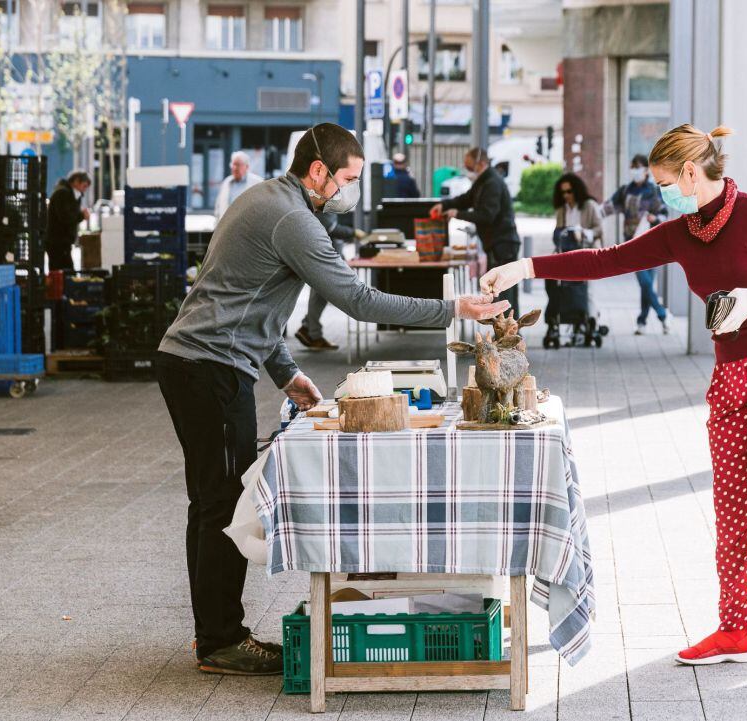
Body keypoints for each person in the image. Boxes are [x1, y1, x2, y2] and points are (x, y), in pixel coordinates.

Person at [480, 124, 747, 673]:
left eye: (665, 182)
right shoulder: (682, 232)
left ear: (692, 174)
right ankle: (735, 629)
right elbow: (606, 259)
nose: (660, 192)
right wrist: (526, 266)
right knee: (735, 509)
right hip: (732, 379)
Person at [156, 123, 508, 676]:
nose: (351, 191)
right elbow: (357, 299)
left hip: (197, 361)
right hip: (210, 368)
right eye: (349, 179)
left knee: (210, 499)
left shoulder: (267, 199)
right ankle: (220, 640)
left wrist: (286, 371)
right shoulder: (295, 219)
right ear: (318, 171)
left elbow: (247, 299)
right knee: (220, 502)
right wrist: (453, 310)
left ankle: (215, 634)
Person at [430, 147, 521, 316]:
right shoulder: (483, 181)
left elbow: (487, 215)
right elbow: (466, 199)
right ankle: (505, 335)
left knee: (503, 293)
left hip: (503, 244)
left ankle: (509, 336)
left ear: (480, 163)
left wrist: (457, 214)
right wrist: (445, 205)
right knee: (500, 292)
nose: (466, 167)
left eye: (468, 164)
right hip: (496, 243)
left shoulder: (492, 182)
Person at [603, 154, 670, 335]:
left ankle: (642, 321)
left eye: (638, 167)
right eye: (633, 167)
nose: (635, 170)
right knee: (645, 283)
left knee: (645, 285)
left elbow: (664, 214)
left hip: (653, 244)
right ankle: (662, 315)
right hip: (632, 244)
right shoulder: (625, 191)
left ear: (647, 171)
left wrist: (654, 218)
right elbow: (609, 207)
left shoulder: (654, 191)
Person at [294, 215, 366, 350]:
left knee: (321, 295)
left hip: (325, 252)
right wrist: (353, 233)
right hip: (321, 254)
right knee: (320, 294)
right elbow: (330, 228)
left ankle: (308, 328)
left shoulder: (330, 202)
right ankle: (312, 333)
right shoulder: (326, 201)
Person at [45, 170, 91, 271]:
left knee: (63, 271)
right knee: (62, 271)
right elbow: (66, 217)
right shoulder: (62, 193)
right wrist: (81, 215)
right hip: (57, 241)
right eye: (84, 186)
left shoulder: (72, 195)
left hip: (63, 242)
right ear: (76, 181)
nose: (84, 190)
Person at [553, 172, 603, 248]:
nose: (566, 195)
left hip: (587, 250)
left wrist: (583, 233)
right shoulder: (561, 210)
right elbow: (558, 233)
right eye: (563, 192)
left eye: (569, 191)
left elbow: (599, 229)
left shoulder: (590, 205)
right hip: (566, 251)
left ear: (576, 190)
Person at [213, 151, 263, 221]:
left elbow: (262, 207)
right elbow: (218, 207)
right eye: (233, 164)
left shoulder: (257, 182)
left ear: (247, 167)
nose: (235, 168)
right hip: (227, 227)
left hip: (247, 227)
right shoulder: (226, 182)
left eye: (238, 165)